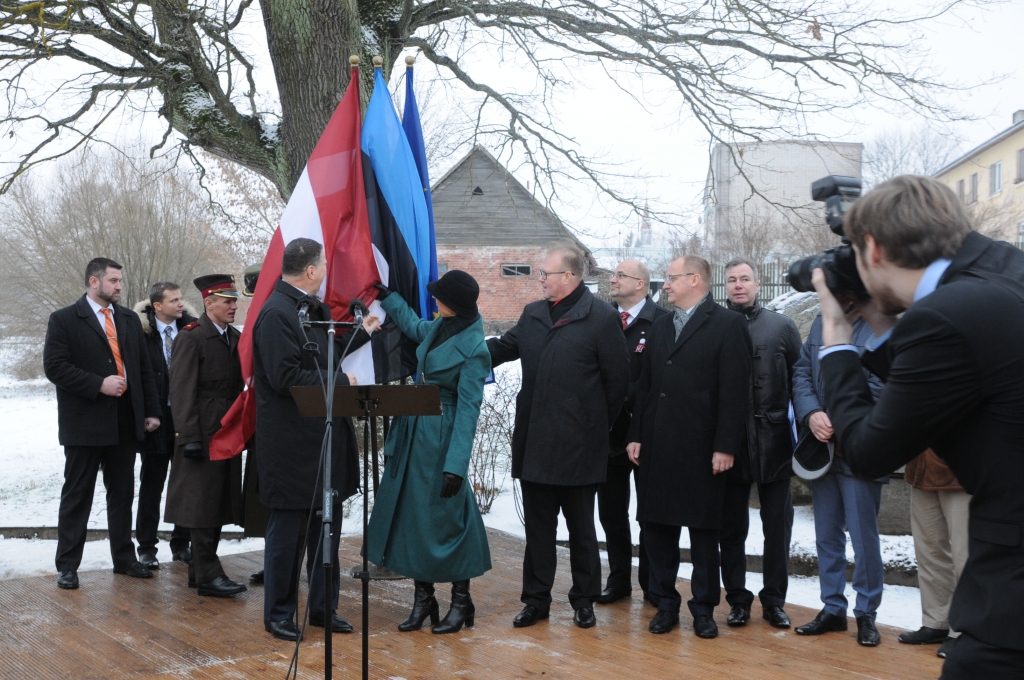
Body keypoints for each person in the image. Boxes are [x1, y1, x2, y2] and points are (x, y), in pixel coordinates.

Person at [810, 175, 1024, 677]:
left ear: (875, 250)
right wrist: (880, 319)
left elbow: (867, 452)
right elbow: (950, 375)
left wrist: (838, 339)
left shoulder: (946, 316)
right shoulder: (1002, 272)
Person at [488, 242, 629, 629]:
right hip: (535, 445)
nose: (541, 279)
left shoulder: (601, 318)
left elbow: (618, 383)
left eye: (546, 273)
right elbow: (502, 348)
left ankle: (583, 601)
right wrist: (452, 349)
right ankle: (536, 601)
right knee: (538, 532)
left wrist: (593, 425)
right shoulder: (534, 314)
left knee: (582, 532)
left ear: (568, 276)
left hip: (580, 448)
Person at [253, 238, 379, 641]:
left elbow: (322, 356)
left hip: (324, 442)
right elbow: (285, 377)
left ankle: (324, 608)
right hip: (293, 446)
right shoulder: (275, 314)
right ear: (310, 271)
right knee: (289, 534)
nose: (326, 270)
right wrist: (342, 382)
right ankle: (279, 614)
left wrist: (359, 333)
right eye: (323, 264)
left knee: (328, 528)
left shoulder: (309, 310)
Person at [627, 255, 752, 639]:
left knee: (703, 535)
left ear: (695, 279)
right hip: (658, 446)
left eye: (671, 278)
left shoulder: (729, 325)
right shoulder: (661, 326)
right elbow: (644, 386)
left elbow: (736, 391)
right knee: (659, 531)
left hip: (703, 449)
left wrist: (726, 446)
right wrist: (636, 433)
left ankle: (703, 610)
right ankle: (665, 605)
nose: (664, 285)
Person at [366, 270, 492, 634]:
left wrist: (456, 465)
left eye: (439, 298)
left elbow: (470, 409)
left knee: (448, 519)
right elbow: (413, 325)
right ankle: (424, 600)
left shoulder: (475, 349)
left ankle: (461, 600)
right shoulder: (439, 326)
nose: (434, 301)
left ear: (452, 303)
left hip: (442, 438)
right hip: (414, 432)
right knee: (413, 515)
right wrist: (389, 297)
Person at [43, 257, 161, 590]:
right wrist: (99, 384)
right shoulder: (64, 320)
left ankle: (124, 559)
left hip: (124, 422)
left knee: (122, 494)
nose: (119, 286)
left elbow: (142, 370)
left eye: (120, 281)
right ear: (94, 282)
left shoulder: (127, 319)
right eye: (113, 281)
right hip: (84, 424)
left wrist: (151, 411)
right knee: (77, 495)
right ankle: (67, 566)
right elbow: (55, 367)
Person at [791, 311, 886, 646]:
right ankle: (832, 609)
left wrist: (839, 419)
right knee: (826, 535)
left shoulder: (882, 324)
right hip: (823, 452)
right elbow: (802, 371)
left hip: (859, 450)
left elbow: (883, 384)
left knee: (864, 538)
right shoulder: (821, 321)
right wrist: (812, 412)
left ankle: (866, 614)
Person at [720, 257, 802, 629]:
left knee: (777, 528)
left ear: (757, 284)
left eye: (745, 279)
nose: (739, 285)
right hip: (730, 445)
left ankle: (775, 601)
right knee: (731, 530)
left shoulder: (783, 327)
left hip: (775, 443)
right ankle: (737, 599)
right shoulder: (716, 326)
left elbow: (801, 382)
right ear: (725, 286)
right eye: (732, 280)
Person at [164, 274, 247, 597]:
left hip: (227, 428)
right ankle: (209, 573)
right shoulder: (192, 337)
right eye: (227, 301)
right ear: (208, 303)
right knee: (199, 504)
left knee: (217, 501)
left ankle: (200, 572)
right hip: (201, 430)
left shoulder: (234, 337)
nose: (233, 306)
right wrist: (188, 436)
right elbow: (181, 390)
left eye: (234, 300)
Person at [596, 259, 668, 606]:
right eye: (613, 274)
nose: (613, 280)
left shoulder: (662, 322)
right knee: (611, 513)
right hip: (609, 435)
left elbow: (662, 379)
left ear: (641, 284)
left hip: (648, 434)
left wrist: (626, 393)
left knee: (649, 512)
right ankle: (619, 580)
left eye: (621, 275)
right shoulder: (603, 321)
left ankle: (652, 583)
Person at [132, 282, 196, 568]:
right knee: (152, 485)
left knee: (185, 484)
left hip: (186, 419)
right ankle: (146, 547)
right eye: (174, 300)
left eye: (181, 299)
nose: (180, 304)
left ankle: (182, 544)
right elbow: (137, 376)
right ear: (157, 305)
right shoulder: (139, 333)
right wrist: (149, 412)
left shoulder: (192, 330)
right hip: (156, 421)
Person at [901, 449, 969, 659]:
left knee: (965, 556)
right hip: (921, 468)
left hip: (962, 472)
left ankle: (965, 631)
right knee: (929, 551)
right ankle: (936, 622)